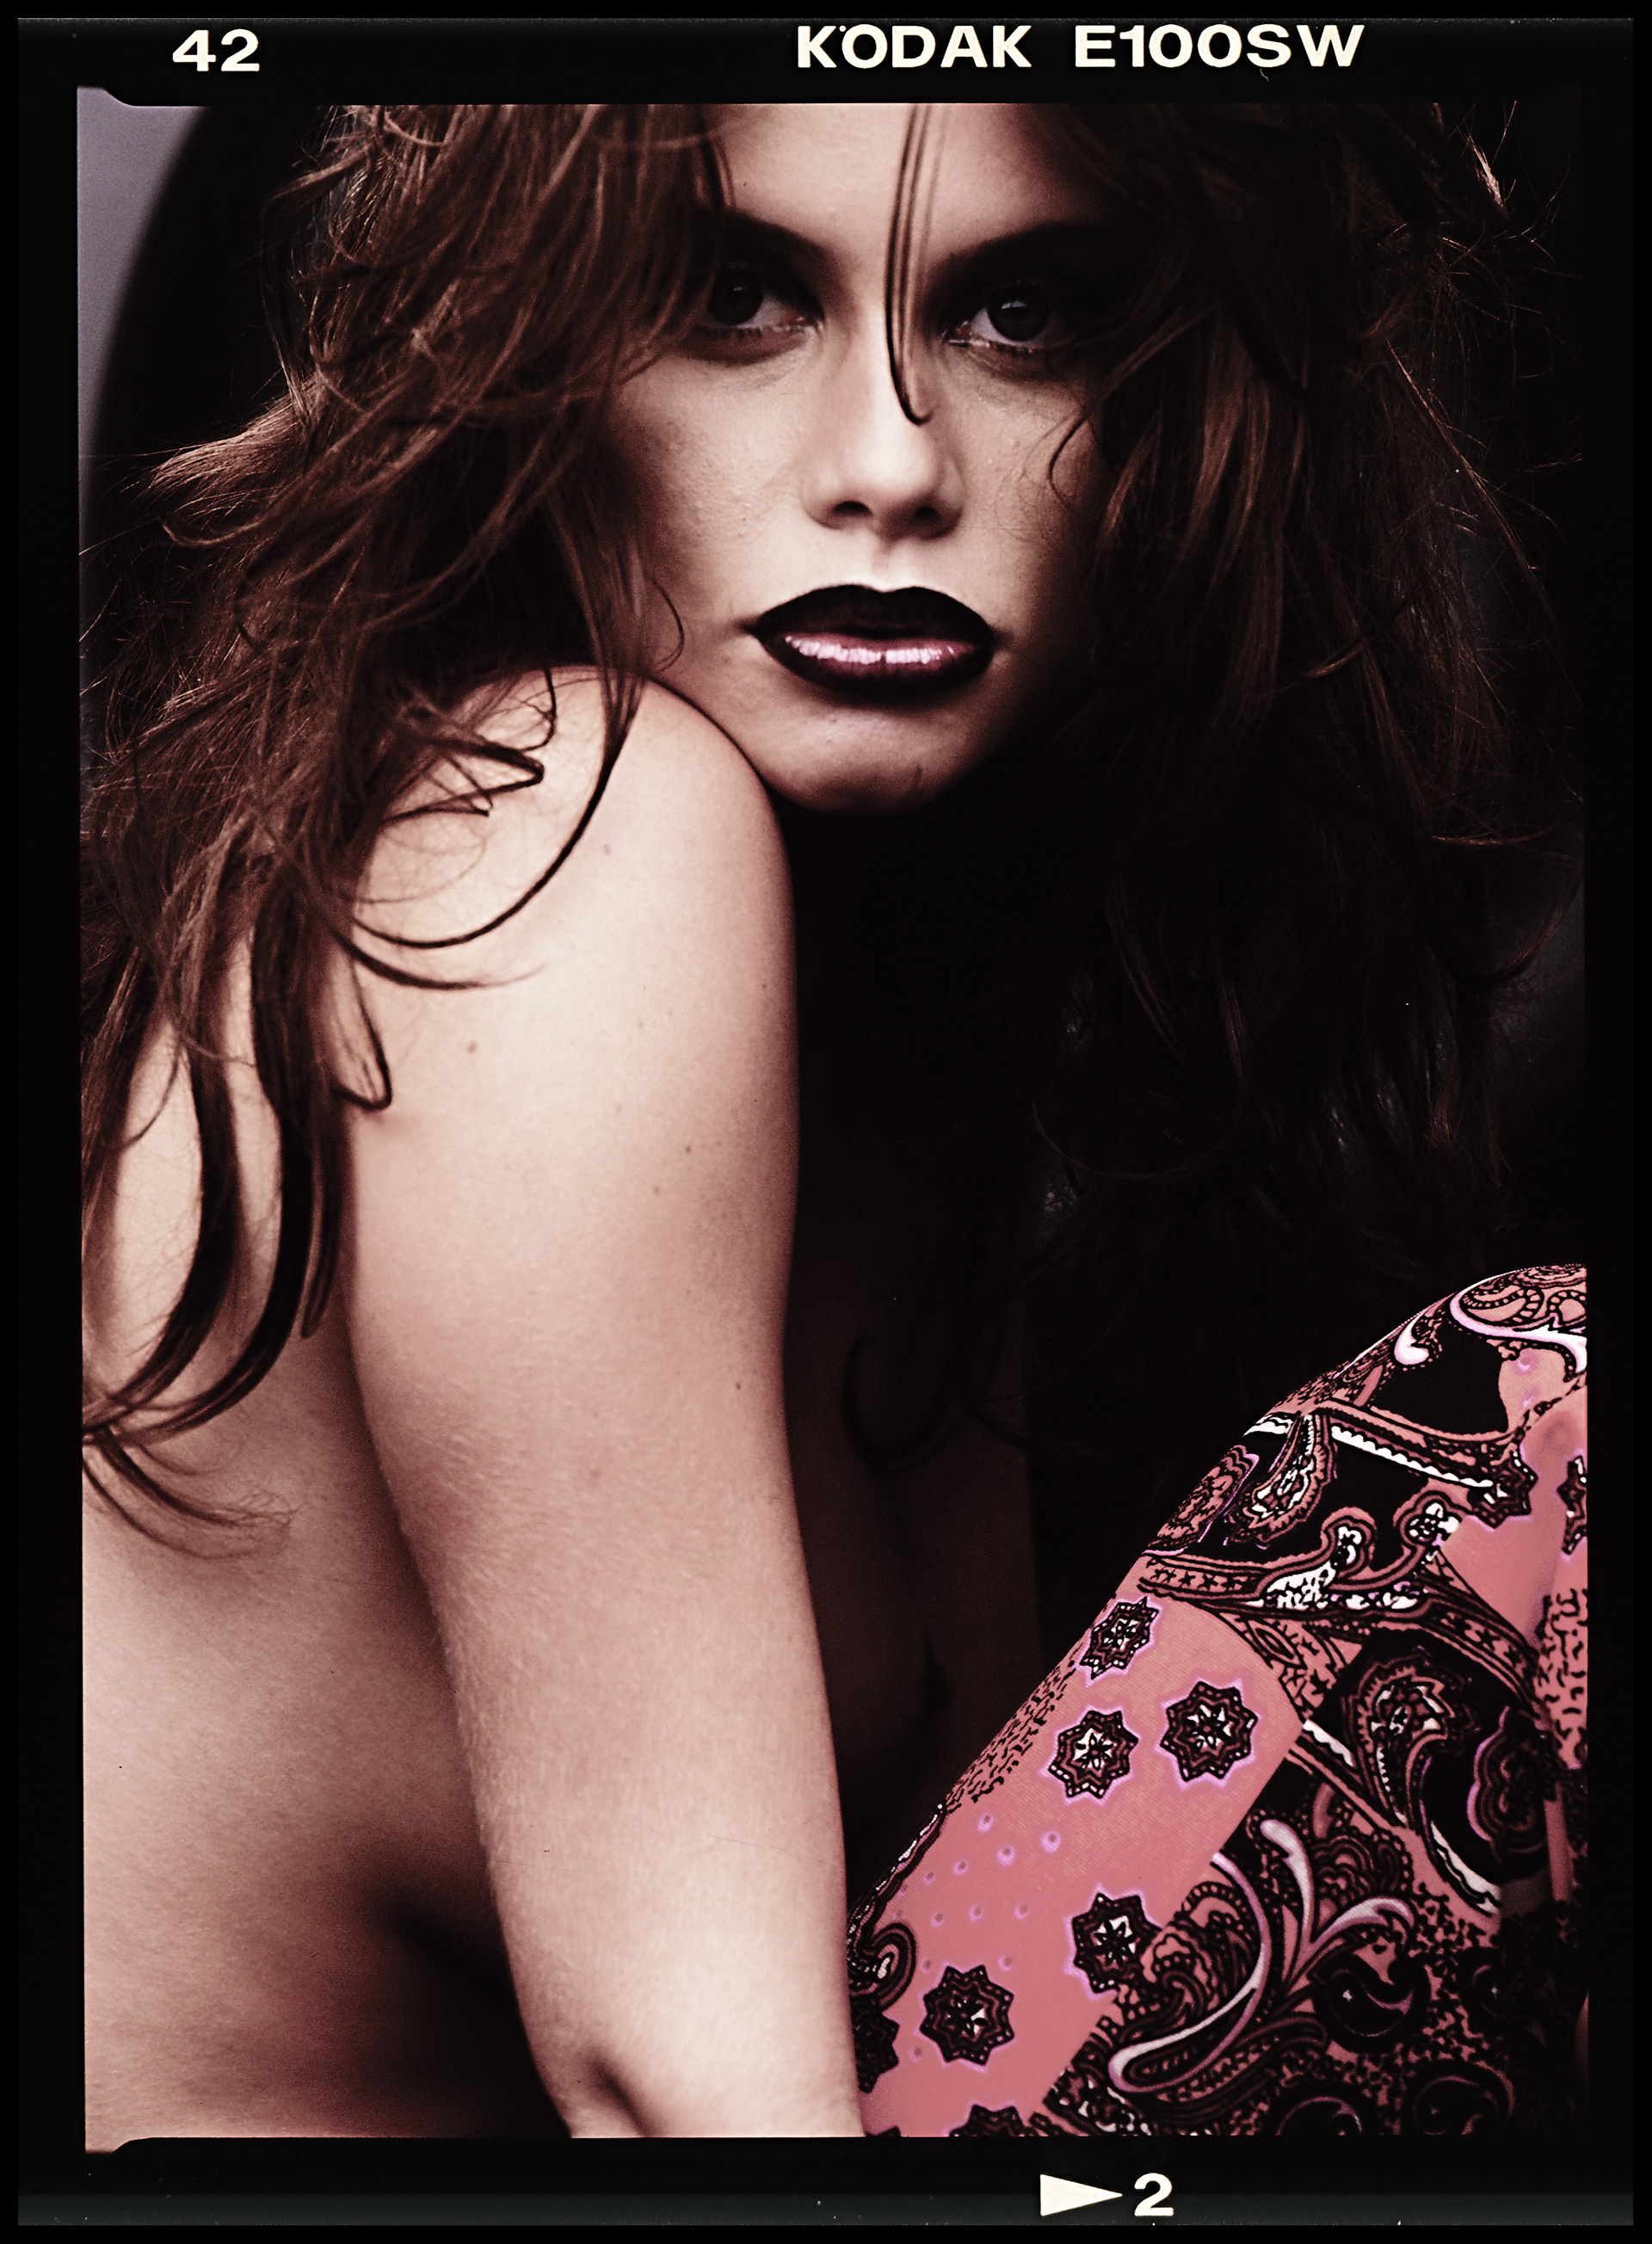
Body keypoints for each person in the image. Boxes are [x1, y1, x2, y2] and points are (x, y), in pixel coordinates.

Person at [81, 102, 1584, 2144]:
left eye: (1026, 315)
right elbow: (684, 2092)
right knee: (1544, 1415)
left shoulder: (905, 995)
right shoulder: (557, 835)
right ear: (527, 350)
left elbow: (925, 1910)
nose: (891, 462)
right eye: (733, 297)